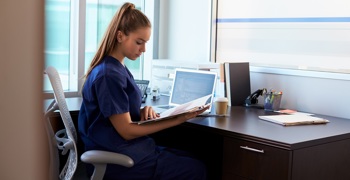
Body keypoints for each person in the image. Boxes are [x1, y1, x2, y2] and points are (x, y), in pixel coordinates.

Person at [78, 2, 208, 180]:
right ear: (120, 36)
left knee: (192, 157)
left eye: (145, 43)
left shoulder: (115, 67)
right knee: (197, 168)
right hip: (120, 161)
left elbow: (112, 114)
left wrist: (140, 112)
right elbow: (126, 130)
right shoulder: (109, 75)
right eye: (139, 42)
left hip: (127, 150)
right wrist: (179, 118)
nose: (144, 49)